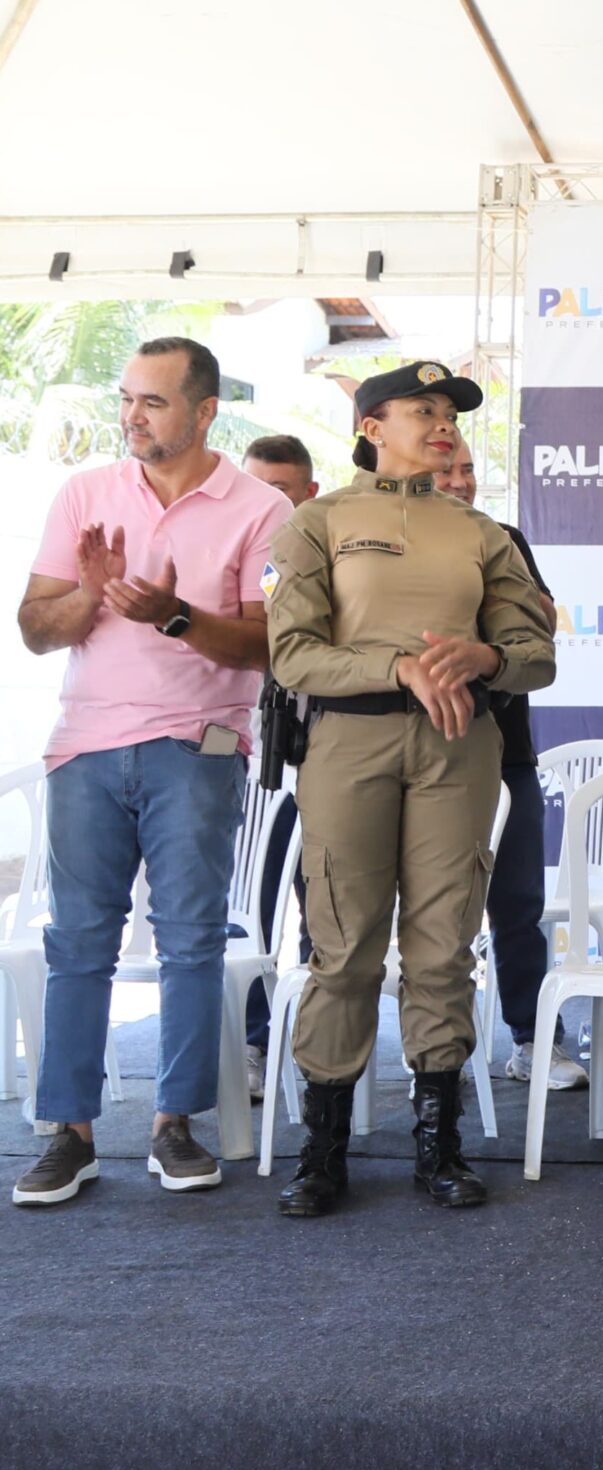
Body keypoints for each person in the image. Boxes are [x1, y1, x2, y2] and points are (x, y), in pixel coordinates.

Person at [263, 360, 557, 1218]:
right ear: (371, 428)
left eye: (450, 414)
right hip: (347, 743)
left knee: (442, 947)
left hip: (458, 747)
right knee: (345, 947)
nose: (442, 425)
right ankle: (323, 1151)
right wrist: (396, 664)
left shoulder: (481, 533)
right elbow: (291, 653)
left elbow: (537, 654)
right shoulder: (317, 522)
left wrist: (486, 656)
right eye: (422, 410)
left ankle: (440, 1143)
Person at [9, 338, 294, 1208]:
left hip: (198, 745)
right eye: (127, 398)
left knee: (192, 940)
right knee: (76, 942)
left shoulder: (263, 507)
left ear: (205, 412)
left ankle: (177, 1124)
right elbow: (35, 627)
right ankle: (70, 1134)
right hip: (85, 746)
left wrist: (175, 615)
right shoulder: (85, 492)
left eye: (153, 401)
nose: (132, 415)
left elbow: (269, 644)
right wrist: (90, 595)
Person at [432, 436, 581, 1092]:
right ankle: (435, 1051)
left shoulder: (505, 538)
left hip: (506, 751)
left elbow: (541, 627)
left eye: (468, 469)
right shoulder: (388, 546)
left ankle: (533, 1040)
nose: (461, 482)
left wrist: (507, 586)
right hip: (421, 755)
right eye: (446, 470)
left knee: (518, 905)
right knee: (431, 914)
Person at [237, 433, 324, 1097]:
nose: (263, 501)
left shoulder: (330, 548)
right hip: (253, 767)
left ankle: (322, 1049)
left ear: (308, 493)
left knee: (326, 916)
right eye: (253, 486)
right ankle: (252, 1043)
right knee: (251, 914)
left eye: (279, 490)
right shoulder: (234, 550)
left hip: (327, 760)